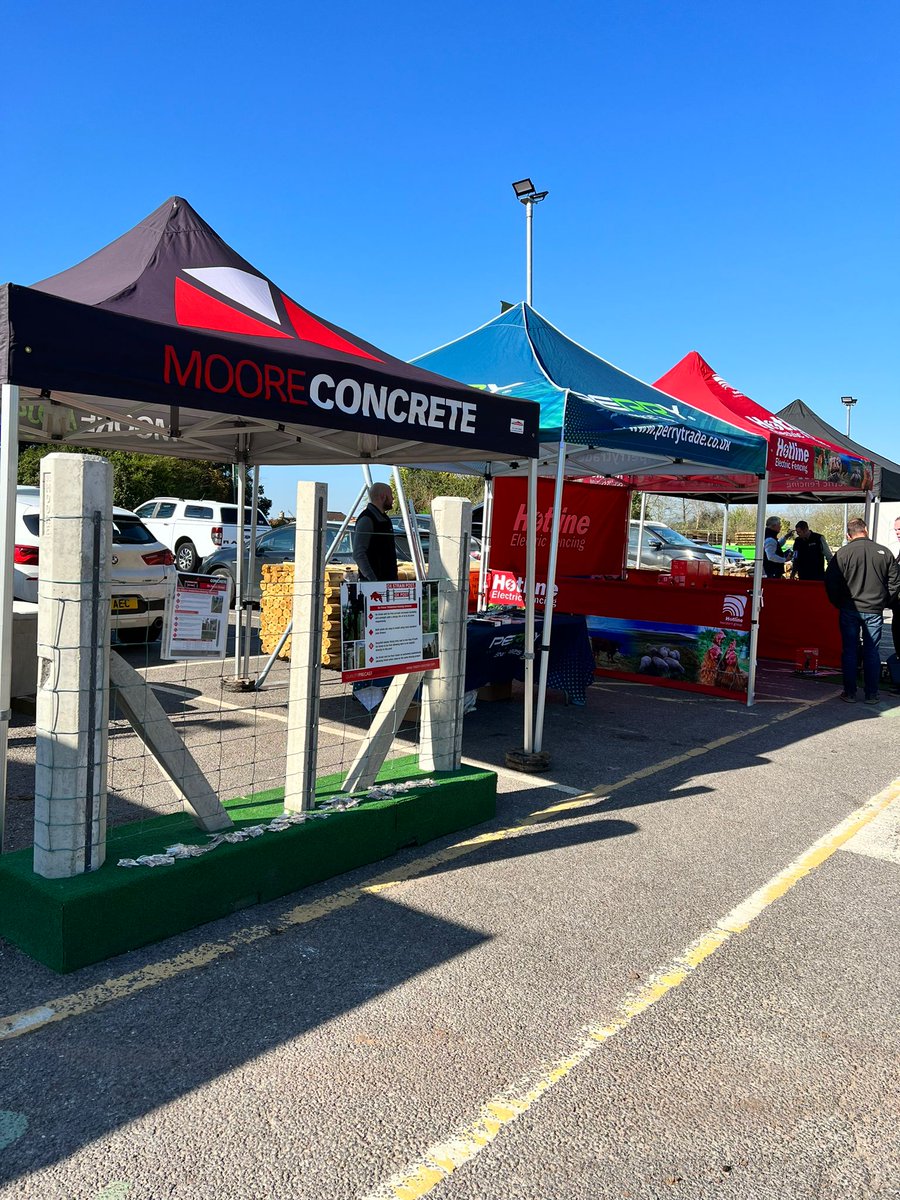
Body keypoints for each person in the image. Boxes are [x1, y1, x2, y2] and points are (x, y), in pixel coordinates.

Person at [824, 516, 900, 705]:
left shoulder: (842, 554)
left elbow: (831, 583)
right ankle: (871, 694)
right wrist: (884, 601)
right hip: (874, 609)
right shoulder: (884, 552)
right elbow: (895, 583)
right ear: (865, 530)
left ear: (848, 535)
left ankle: (850, 692)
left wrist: (839, 602)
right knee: (871, 651)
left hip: (850, 608)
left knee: (850, 650)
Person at [352, 482, 398, 583]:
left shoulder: (384, 519)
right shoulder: (367, 519)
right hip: (374, 586)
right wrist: (372, 579)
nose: (393, 499)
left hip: (388, 582)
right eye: (391, 495)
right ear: (383, 496)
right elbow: (358, 553)